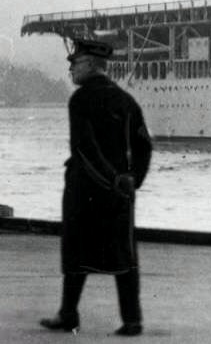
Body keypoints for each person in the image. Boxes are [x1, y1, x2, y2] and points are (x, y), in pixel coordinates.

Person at [40, 39, 153, 337]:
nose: (71, 70)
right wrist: (132, 179)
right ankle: (132, 320)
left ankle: (68, 314)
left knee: (75, 253)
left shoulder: (79, 100)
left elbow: (84, 148)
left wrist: (110, 179)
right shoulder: (126, 100)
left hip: (85, 189)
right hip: (120, 194)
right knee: (124, 256)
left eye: (75, 63)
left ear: (91, 64)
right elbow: (144, 145)